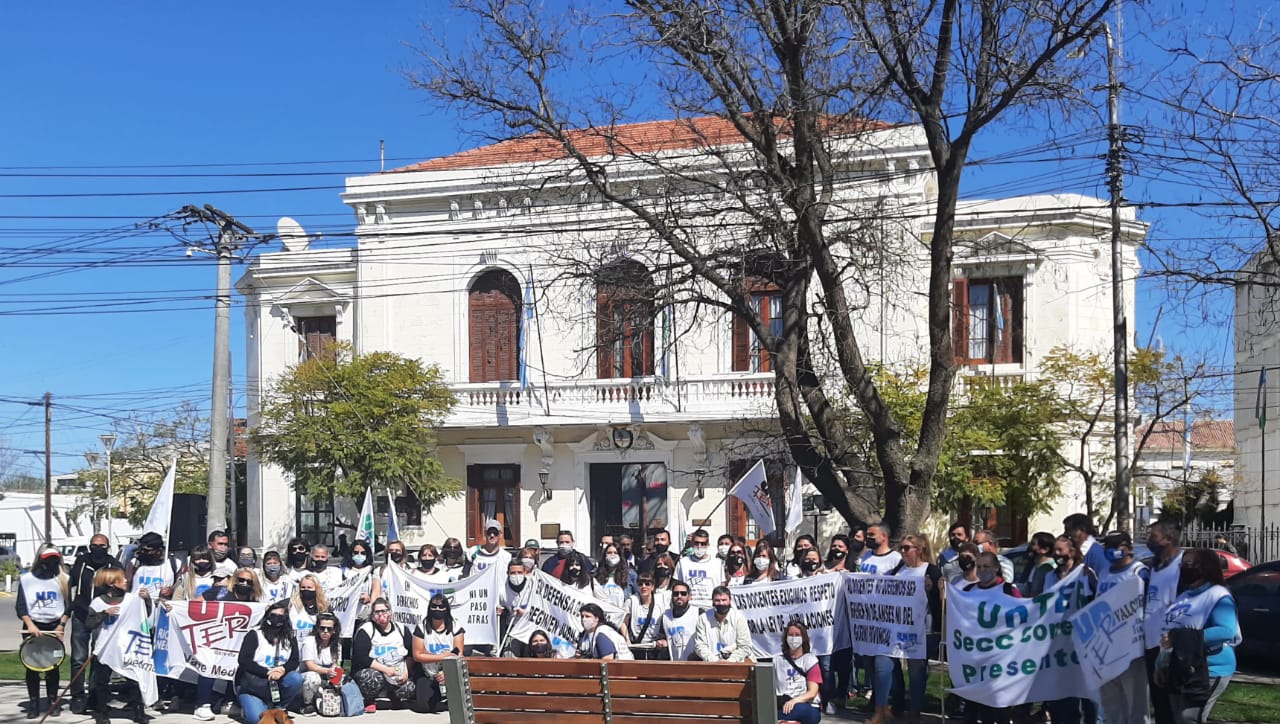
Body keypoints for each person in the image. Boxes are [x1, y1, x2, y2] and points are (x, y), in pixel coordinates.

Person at [1156, 548, 1241, 724]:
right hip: (1179, 667)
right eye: (1182, 565)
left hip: (1210, 667)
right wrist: (1161, 663)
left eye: (1188, 565)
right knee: (1178, 718)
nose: (1183, 569)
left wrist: (1179, 638)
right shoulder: (1183, 597)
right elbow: (1168, 634)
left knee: (1191, 718)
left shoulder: (1218, 595)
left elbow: (1226, 630)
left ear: (1204, 568)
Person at [885, 534, 942, 724]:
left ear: (919, 550)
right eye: (901, 548)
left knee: (916, 671)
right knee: (891, 665)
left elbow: (939, 602)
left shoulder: (931, 571)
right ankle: (898, 704)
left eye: (906, 548)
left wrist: (931, 590)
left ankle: (915, 709)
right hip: (897, 627)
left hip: (922, 630)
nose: (902, 552)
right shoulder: (898, 570)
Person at [1096, 530, 1151, 724]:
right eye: (1107, 547)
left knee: (1136, 703)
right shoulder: (1103, 573)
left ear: (1128, 549)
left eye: (1115, 546)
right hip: (1107, 647)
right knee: (1111, 703)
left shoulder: (1139, 572)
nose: (1109, 551)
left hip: (1130, 649)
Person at [193, 568, 262, 721]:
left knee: (236, 667)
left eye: (249, 582)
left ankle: (228, 702)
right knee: (208, 665)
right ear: (234, 580)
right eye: (241, 580)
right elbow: (194, 606)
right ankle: (202, 704)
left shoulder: (253, 603)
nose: (244, 583)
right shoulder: (219, 593)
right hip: (213, 638)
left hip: (235, 643)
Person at [1042, 536, 1097, 724]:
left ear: (1071, 552)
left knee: (1083, 691)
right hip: (1057, 639)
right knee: (1060, 691)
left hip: (1081, 640)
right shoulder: (1050, 576)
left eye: (1060, 550)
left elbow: (1092, 602)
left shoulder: (1085, 574)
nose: (1056, 554)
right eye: (1055, 551)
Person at [85, 568, 149, 724]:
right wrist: (104, 614)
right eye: (122, 579)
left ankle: (138, 710)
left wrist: (146, 600)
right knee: (101, 681)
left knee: (134, 678)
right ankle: (101, 711)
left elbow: (144, 614)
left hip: (127, 646)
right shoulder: (98, 602)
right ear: (111, 584)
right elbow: (89, 623)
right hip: (106, 648)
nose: (126, 581)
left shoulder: (131, 599)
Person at [68, 534, 121, 714]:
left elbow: (122, 589)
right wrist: (71, 607)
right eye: (94, 545)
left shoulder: (114, 565)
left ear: (107, 547)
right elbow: (70, 585)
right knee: (78, 659)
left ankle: (95, 696)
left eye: (102, 545)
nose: (98, 548)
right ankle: (77, 696)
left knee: (99, 658)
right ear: (90, 546)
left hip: (104, 617)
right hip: (82, 615)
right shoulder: (81, 562)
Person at [17, 545, 70, 719]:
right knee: (32, 666)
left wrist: (61, 625)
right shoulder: (26, 579)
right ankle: (34, 704)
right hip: (33, 627)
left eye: (55, 559)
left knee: (52, 666)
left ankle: (53, 701)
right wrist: (30, 625)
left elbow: (69, 606)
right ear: (40, 559)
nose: (52, 563)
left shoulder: (64, 579)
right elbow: (21, 606)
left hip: (54, 627)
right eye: (48, 559)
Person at [236, 600, 303, 723]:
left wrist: (282, 669)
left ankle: (279, 707)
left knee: (296, 678)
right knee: (256, 719)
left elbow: (294, 660)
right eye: (273, 616)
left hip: (277, 680)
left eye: (280, 617)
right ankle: (251, 707)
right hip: (253, 684)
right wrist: (267, 672)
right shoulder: (255, 634)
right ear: (267, 617)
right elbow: (244, 660)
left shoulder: (290, 637)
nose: (276, 619)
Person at [1145, 520, 1185, 724]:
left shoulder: (1182, 566)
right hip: (1151, 645)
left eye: (1153, 536)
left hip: (1170, 648)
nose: (1148, 540)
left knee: (1173, 709)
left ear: (1168, 539)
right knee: (1159, 707)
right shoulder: (1153, 566)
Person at [352, 598, 415, 712]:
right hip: (376, 670)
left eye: (384, 611)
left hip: (397, 670)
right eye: (377, 612)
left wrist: (406, 672)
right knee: (371, 678)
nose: (381, 614)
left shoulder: (402, 629)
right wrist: (385, 669)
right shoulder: (366, 630)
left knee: (409, 688)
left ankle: (394, 696)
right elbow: (361, 657)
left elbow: (411, 654)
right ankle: (369, 699)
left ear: (390, 612)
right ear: (372, 615)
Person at [299, 611, 364, 716]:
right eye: (322, 628)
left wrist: (334, 672)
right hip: (309, 676)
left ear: (334, 630)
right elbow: (309, 665)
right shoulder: (309, 641)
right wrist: (327, 671)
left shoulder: (337, 643)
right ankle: (307, 704)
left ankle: (339, 703)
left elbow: (336, 663)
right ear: (317, 628)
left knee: (342, 677)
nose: (325, 631)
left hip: (327, 675)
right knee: (313, 678)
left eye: (329, 629)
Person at [412, 593, 464, 713]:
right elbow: (417, 655)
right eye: (434, 606)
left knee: (460, 702)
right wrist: (444, 656)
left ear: (446, 608)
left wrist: (447, 671)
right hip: (428, 673)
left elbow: (459, 654)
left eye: (441, 607)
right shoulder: (421, 627)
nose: (437, 609)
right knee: (424, 705)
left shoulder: (456, 627)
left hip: (450, 672)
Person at [776, 620, 823, 724]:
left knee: (808, 713)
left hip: (803, 704)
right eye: (790, 635)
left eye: (797, 635)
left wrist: (794, 701)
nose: (793, 638)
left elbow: (812, 692)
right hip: (782, 705)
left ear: (803, 638)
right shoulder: (777, 661)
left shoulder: (810, 660)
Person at [694, 586, 751, 663]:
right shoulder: (703, 618)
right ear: (712, 602)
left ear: (730, 600)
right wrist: (715, 661)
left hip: (736, 664)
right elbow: (700, 646)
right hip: (711, 664)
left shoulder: (739, 618)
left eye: (724, 600)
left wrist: (730, 661)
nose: (721, 603)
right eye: (717, 600)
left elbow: (745, 646)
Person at [126, 531, 180, 599]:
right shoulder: (135, 563)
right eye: (141, 549)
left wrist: (171, 590)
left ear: (158, 550)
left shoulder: (174, 564)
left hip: (161, 606)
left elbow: (180, 587)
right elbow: (126, 586)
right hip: (138, 606)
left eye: (147, 550)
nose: (143, 552)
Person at [657, 580, 701, 661]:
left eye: (683, 593)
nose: (679, 596)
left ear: (689, 596)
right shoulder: (665, 616)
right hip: (674, 665)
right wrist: (661, 643)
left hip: (695, 664)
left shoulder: (698, 613)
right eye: (676, 594)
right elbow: (662, 639)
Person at [626, 573, 665, 659]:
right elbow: (623, 622)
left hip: (654, 647)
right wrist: (627, 640)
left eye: (647, 584)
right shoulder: (631, 601)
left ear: (653, 587)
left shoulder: (661, 601)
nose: (644, 586)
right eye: (640, 584)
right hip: (637, 646)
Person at [496, 560, 530, 655]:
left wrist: (524, 613)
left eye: (519, 572)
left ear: (525, 573)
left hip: (530, 626)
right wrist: (499, 611)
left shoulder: (533, 587)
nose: (516, 576)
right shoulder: (502, 591)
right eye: (513, 573)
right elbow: (499, 607)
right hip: (513, 628)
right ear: (507, 573)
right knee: (508, 654)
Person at [291, 574, 329, 640]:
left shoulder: (325, 608)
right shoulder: (291, 605)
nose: (306, 590)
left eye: (309, 587)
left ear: (316, 589)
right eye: (303, 587)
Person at [594, 543, 634, 607]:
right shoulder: (596, 575)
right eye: (609, 553)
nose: (612, 555)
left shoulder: (630, 575)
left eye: (615, 552)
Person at [1021, 531, 1058, 597]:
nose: (1029, 547)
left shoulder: (1049, 568)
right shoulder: (1034, 564)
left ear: (1045, 549)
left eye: (1033, 544)